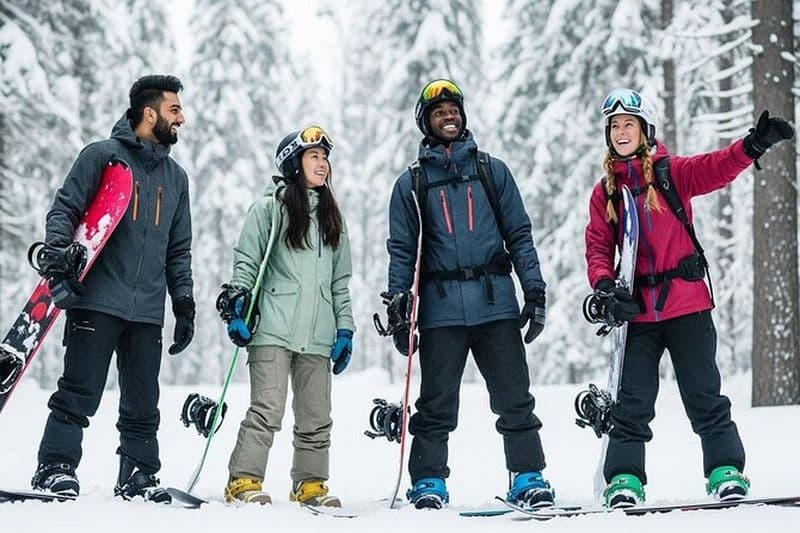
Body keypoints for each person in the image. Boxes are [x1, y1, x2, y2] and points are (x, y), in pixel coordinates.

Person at [585, 88, 794, 508]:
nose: (621, 131)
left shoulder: (671, 173)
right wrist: (605, 287)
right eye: (614, 126)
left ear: (645, 130)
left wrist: (753, 145)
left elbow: (717, 167)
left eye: (629, 124)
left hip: (688, 305)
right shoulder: (606, 192)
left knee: (704, 395)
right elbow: (598, 246)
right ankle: (624, 479)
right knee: (631, 402)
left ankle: (725, 471)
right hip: (637, 313)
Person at [382, 78, 553, 510]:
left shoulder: (492, 171)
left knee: (514, 397)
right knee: (436, 403)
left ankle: (527, 476)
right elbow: (402, 251)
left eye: (454, 109)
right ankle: (428, 482)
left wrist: (533, 289)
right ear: (426, 122)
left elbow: (519, 234)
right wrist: (400, 306)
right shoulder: (412, 184)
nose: (449, 116)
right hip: (440, 312)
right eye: (439, 112)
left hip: (496, 304)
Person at [31, 75, 195, 503]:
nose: (182, 118)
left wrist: (183, 302)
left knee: (143, 403)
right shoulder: (102, 156)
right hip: (98, 299)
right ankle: (55, 468)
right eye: (174, 110)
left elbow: (179, 250)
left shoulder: (176, 179)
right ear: (149, 113)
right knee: (78, 392)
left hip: (146, 310)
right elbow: (65, 208)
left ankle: (138, 475)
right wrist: (58, 254)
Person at [218, 126, 355, 507]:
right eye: (314, 156)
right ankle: (242, 481)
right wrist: (237, 304)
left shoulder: (332, 221)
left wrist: (345, 328)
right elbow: (247, 261)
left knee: (316, 416)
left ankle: (310, 484)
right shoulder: (269, 210)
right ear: (294, 163)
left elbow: (340, 282)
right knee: (267, 409)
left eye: (325, 157)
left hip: (318, 333)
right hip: (273, 330)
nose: (323, 164)